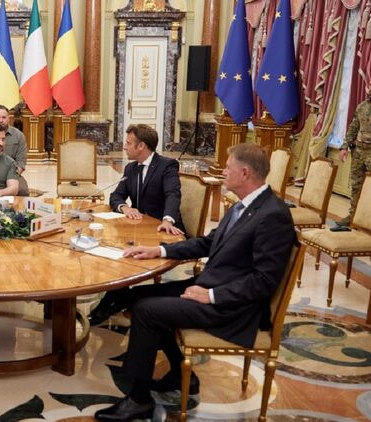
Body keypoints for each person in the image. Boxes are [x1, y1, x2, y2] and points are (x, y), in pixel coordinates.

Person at [93, 144, 296, 421]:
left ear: (245, 173)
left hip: (232, 307)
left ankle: (139, 399)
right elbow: (208, 243)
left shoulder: (273, 215)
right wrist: (159, 250)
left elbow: (264, 281)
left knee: (147, 311)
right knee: (137, 296)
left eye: (228, 168)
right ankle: (179, 372)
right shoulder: (243, 205)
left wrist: (211, 296)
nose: (223, 172)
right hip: (212, 285)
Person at [89, 124, 184, 325]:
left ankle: (112, 301)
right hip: (136, 229)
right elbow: (116, 196)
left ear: (141, 146)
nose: (124, 147)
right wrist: (124, 207)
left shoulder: (167, 166)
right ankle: (116, 297)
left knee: (122, 254)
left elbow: (172, 194)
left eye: (128, 143)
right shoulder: (131, 168)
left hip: (161, 230)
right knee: (109, 248)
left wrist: (168, 219)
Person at [338, 96, 371, 226]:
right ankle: (353, 215)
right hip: (359, 153)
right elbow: (353, 127)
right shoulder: (362, 106)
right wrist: (344, 146)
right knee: (356, 186)